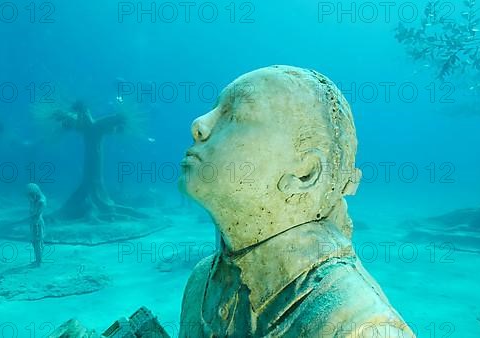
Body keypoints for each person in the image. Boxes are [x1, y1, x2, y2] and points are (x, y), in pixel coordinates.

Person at [178, 65, 415, 337]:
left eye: (236, 114)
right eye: (216, 108)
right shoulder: (201, 282)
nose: (199, 124)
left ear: (305, 173)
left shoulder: (357, 327)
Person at [27, 183, 46, 267]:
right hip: (34, 223)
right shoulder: (36, 200)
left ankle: (38, 262)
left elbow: (34, 213)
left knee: (37, 242)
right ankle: (38, 260)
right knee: (34, 242)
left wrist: (32, 203)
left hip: (37, 224)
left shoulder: (40, 202)